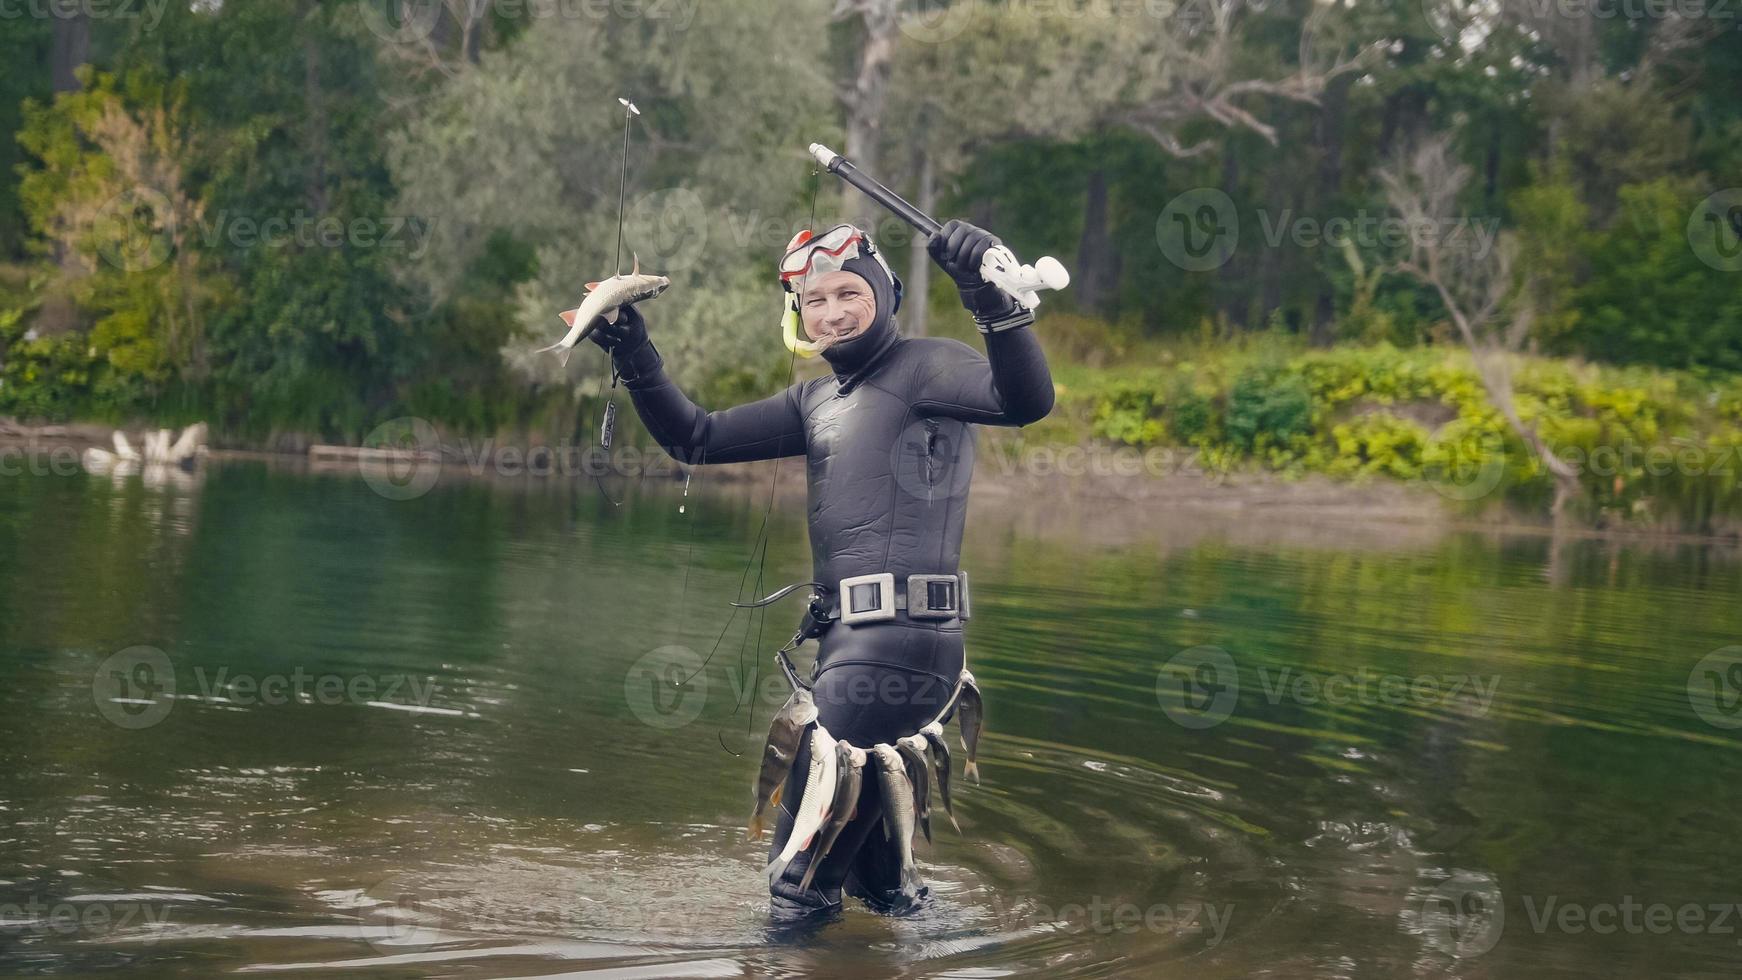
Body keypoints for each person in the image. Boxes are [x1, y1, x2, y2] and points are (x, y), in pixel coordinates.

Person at [586, 218, 1054, 920]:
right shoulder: (815, 402)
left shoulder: (927, 367)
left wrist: (995, 306)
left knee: (795, 882)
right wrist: (635, 352)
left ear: (886, 292)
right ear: (798, 315)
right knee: (875, 885)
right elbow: (696, 437)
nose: (831, 311)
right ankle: (947, 951)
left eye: (848, 292)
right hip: (862, 649)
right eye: (814, 300)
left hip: (894, 649)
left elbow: (1025, 401)